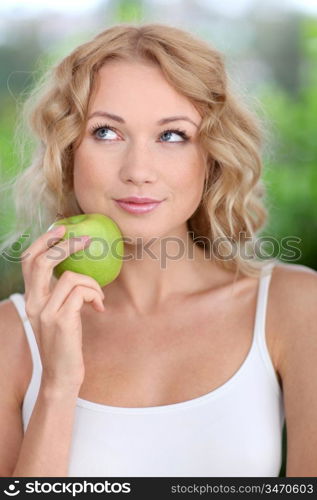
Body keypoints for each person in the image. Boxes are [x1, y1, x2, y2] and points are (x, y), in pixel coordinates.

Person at [0, 22, 316, 478]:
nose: (138, 170)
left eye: (171, 135)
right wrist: (57, 384)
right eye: (106, 133)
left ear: (211, 156)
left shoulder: (295, 308)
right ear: (69, 151)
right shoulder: (14, 337)